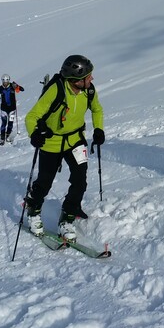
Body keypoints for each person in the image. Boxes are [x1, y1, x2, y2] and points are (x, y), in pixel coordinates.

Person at [23, 55, 105, 240]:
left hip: (75, 140)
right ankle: (34, 211)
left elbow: (97, 109)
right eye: (88, 76)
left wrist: (98, 128)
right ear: (77, 80)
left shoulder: (88, 90)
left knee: (80, 181)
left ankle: (67, 217)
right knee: (45, 181)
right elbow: (32, 116)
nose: (92, 79)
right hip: (51, 143)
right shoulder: (56, 90)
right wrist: (34, 134)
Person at [0, 74, 24, 145]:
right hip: (3, 109)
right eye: (4, 82)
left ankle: (8, 135)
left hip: (12, 109)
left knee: (10, 123)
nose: (5, 83)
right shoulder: (0, 89)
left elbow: (22, 89)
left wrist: (17, 86)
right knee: (3, 123)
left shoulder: (12, 86)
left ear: (8, 81)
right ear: (2, 81)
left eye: (6, 82)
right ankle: (2, 137)